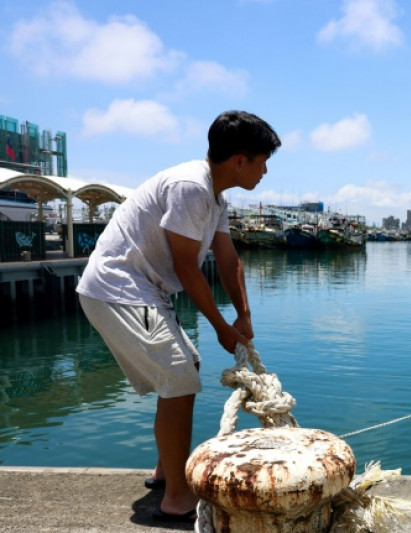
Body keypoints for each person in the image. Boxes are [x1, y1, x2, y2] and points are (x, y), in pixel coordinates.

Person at [76, 110, 281, 523]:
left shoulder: (216, 196)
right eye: (262, 160)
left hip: (141, 289)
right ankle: (176, 496)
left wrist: (243, 315)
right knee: (180, 377)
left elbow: (227, 260)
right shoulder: (191, 187)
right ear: (240, 160)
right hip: (120, 288)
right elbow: (188, 269)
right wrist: (222, 328)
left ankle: (165, 470)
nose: (265, 170)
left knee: (187, 366)